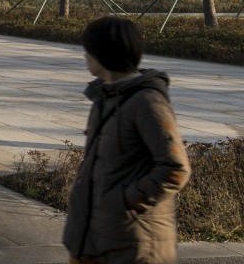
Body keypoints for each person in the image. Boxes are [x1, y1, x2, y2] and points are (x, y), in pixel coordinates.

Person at [64, 15, 189, 264]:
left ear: (103, 53)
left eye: (88, 49)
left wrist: (124, 201)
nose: (85, 55)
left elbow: (175, 169)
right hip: (96, 239)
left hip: (134, 244)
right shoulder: (105, 97)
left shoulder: (147, 102)